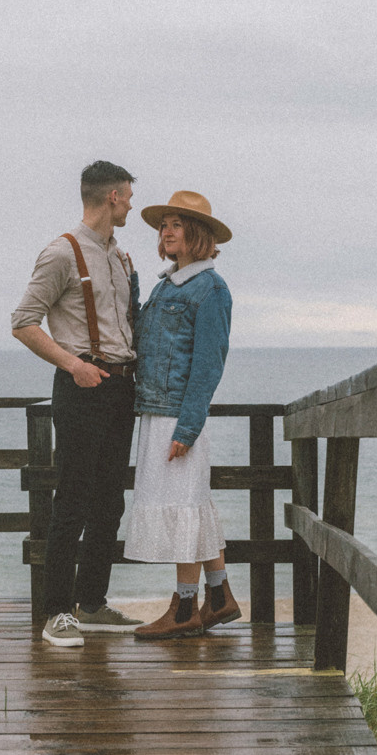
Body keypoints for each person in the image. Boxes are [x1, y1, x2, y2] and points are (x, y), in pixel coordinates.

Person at [11, 161, 144, 648]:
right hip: (83, 385)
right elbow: (23, 321)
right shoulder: (61, 252)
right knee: (72, 500)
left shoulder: (121, 257)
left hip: (122, 387)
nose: (131, 203)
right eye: (128, 195)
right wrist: (73, 366)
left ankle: (91, 604)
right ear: (112, 196)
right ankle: (56, 613)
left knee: (110, 501)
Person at [125, 191, 242, 639]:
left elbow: (209, 365)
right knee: (190, 505)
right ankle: (219, 596)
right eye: (163, 225)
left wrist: (188, 427)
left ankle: (184, 609)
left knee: (182, 509)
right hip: (156, 410)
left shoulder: (211, 289)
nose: (166, 232)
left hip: (177, 416)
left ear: (198, 234)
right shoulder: (165, 285)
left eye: (176, 224)